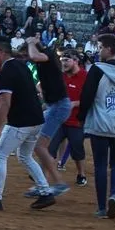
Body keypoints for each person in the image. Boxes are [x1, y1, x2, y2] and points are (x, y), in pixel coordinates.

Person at [0, 36, 56, 211]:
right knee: (25, 156)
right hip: (37, 120)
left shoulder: (5, 72)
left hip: (21, 122)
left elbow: (5, 103)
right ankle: (45, 192)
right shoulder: (21, 65)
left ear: (1, 52)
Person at [77, 33, 115, 219]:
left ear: (109, 49)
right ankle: (114, 195)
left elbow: (86, 96)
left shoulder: (97, 69)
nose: (98, 51)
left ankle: (102, 207)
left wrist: (81, 117)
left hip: (100, 124)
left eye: (100, 47)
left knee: (100, 165)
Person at [24, 36, 71, 197]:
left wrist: (31, 42)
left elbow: (34, 56)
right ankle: (43, 183)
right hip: (54, 106)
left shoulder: (48, 55)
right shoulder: (45, 61)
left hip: (58, 107)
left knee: (39, 147)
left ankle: (58, 183)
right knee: (40, 146)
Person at [49, 50, 88, 186]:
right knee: (50, 147)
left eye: (66, 60)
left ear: (76, 61)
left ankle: (81, 174)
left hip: (76, 120)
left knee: (77, 149)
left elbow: (91, 99)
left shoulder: (85, 76)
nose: (63, 63)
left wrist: (74, 104)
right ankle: (44, 173)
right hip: (59, 119)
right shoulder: (61, 75)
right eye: (62, 61)